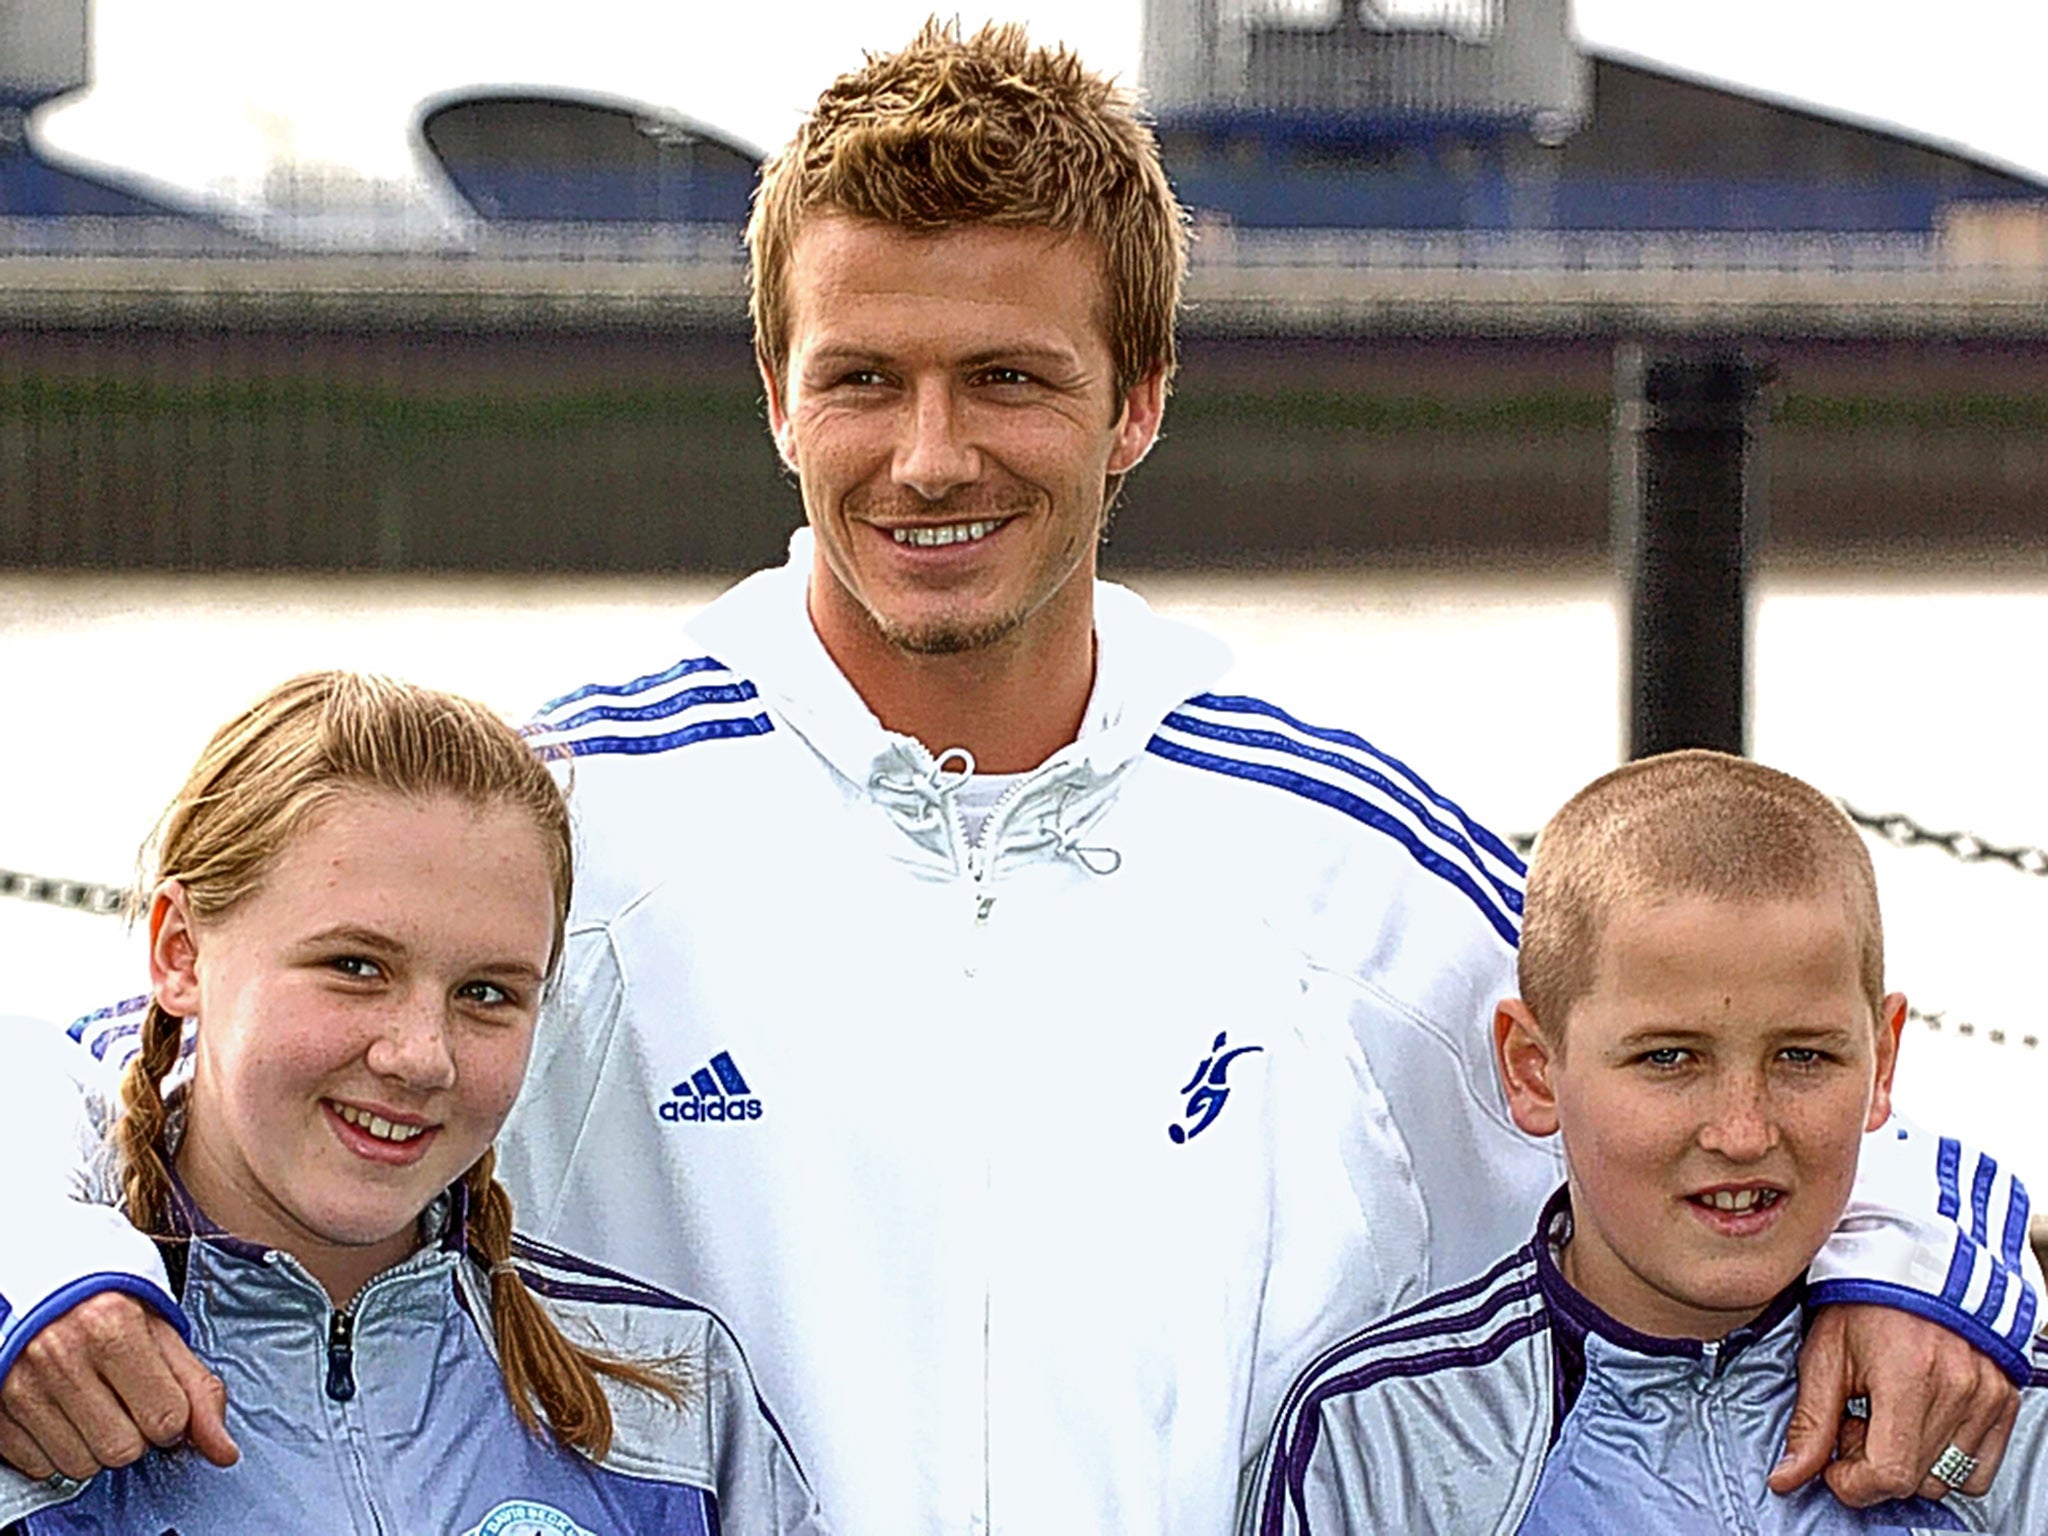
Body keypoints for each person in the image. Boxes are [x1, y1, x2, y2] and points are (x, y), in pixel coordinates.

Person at [0, 21, 2030, 1533]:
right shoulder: (559, 822)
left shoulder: (1337, 848)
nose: (931, 455)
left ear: (1137, 400)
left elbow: (1743, 1063)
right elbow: (139, 1062)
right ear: (774, 390)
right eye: (863, 378)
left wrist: (1916, 1271)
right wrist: (43, 1269)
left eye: (1013, 381)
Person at [0, 672, 823, 1534]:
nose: (421, 1057)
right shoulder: (40, 1373)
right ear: (178, 952)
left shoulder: (666, 1396)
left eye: (487, 993)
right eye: (356, 967)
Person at [1245, 751, 2045, 1535]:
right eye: (1668, 1058)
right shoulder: (1383, 1439)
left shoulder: (1995, 1419)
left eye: (1803, 1056)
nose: (1742, 1132)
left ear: (1883, 1062)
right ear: (1533, 1069)